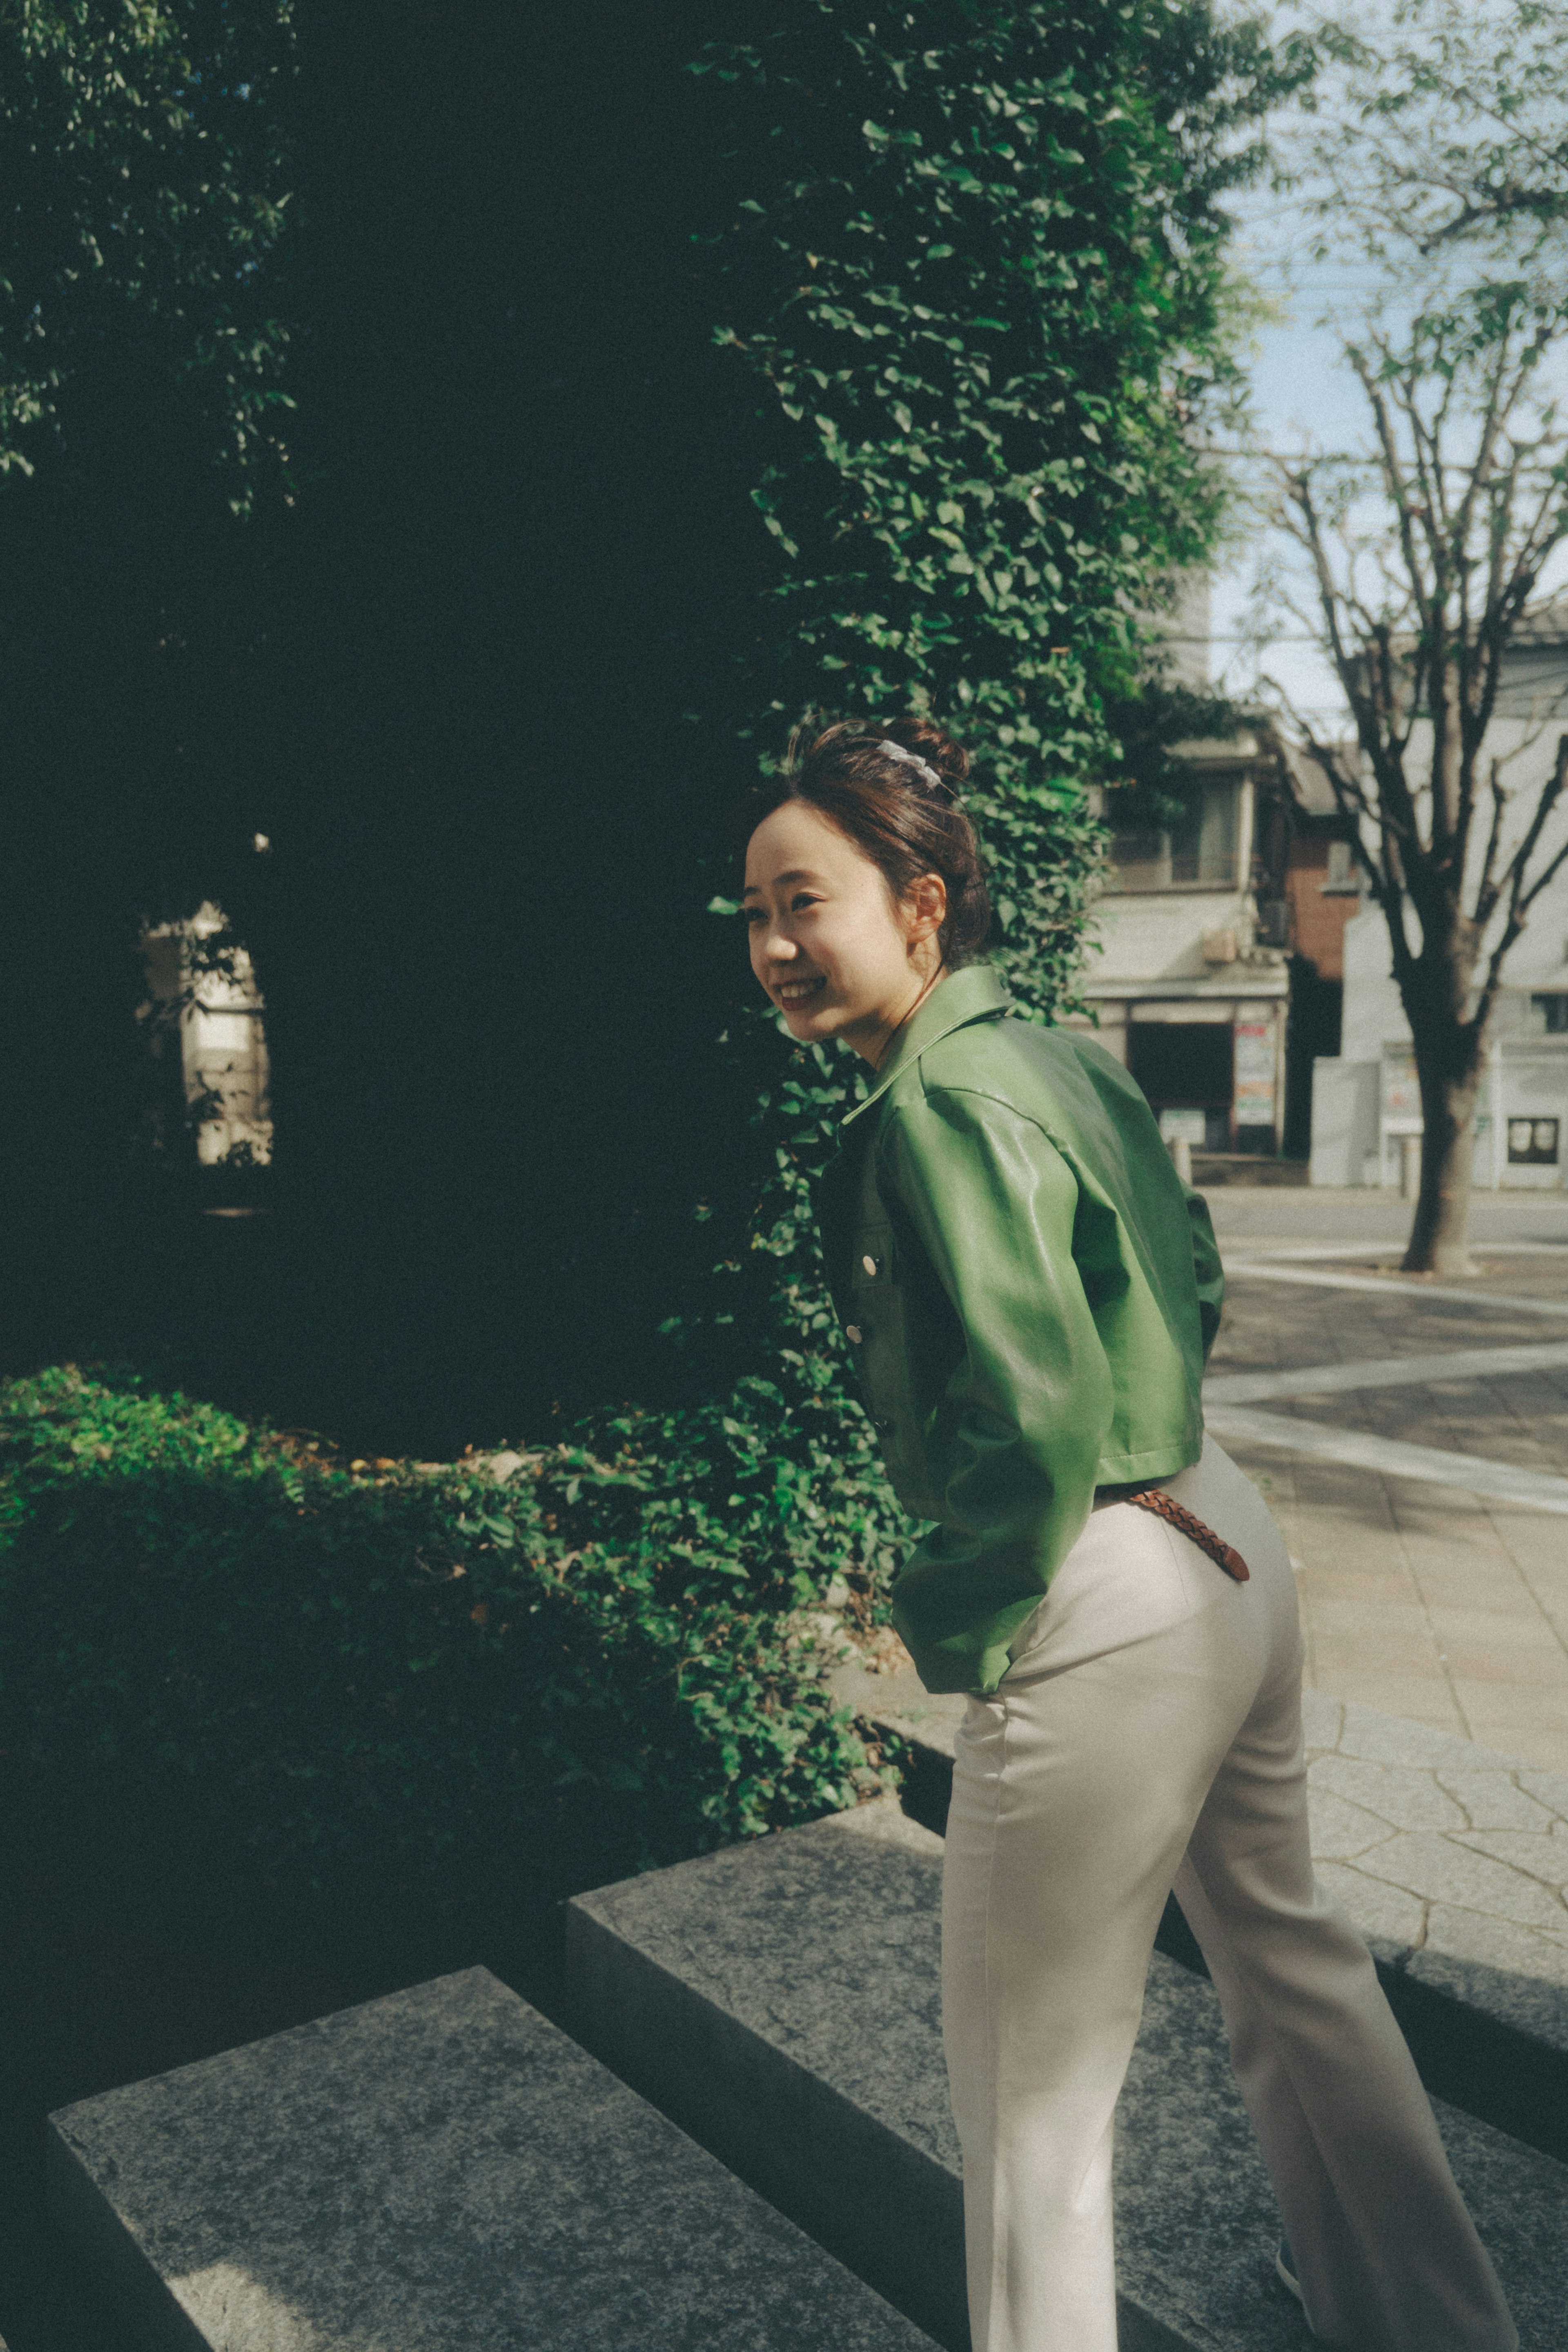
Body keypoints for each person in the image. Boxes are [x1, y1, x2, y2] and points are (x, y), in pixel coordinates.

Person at [737, 717, 1518, 2352]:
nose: (775, 948)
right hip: (1227, 1534)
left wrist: (949, 1612)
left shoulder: (930, 1108)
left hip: (1097, 1576)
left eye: (804, 902)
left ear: (925, 901)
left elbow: (1027, 1414)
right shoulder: (1065, 1057)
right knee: (1296, 1968)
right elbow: (1200, 1281)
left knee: (1033, 2113)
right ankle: (1432, 2323)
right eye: (754, 914)